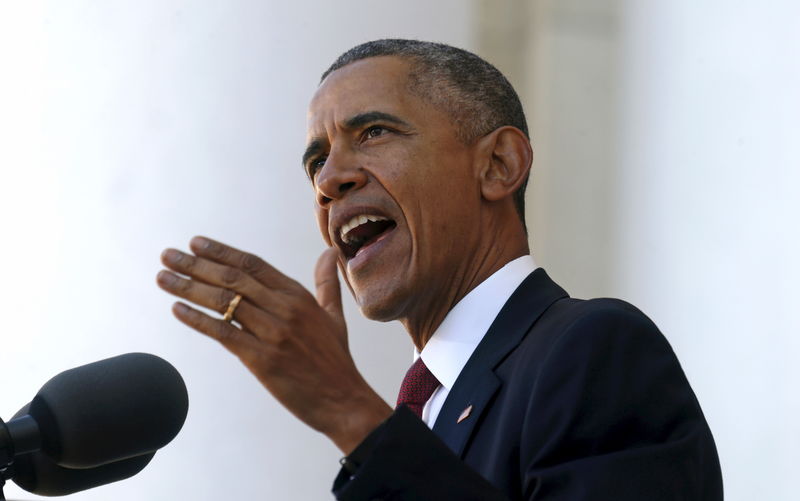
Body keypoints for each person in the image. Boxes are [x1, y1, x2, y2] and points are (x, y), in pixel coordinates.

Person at [156, 39, 722, 500]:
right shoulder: (421, 416)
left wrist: (345, 409)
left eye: (373, 132)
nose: (329, 181)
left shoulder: (594, 351)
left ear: (498, 165)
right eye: (316, 162)